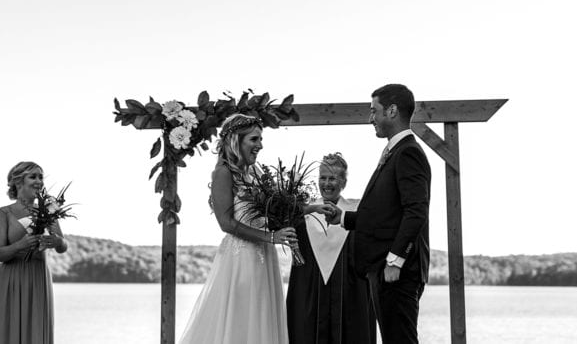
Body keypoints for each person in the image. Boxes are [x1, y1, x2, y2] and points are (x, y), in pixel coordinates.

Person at [179, 114, 307, 344]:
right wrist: (271, 236)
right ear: (236, 141)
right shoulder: (223, 173)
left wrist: (312, 207)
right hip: (241, 260)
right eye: (254, 139)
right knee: (241, 321)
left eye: (260, 139)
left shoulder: (256, 172)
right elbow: (225, 223)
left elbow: (280, 204)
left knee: (263, 319)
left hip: (265, 257)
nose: (260, 145)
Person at [324, 83, 431, 343]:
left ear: (392, 111)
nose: (371, 118)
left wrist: (395, 261)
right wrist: (344, 218)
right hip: (383, 268)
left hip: (395, 271)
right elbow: (385, 213)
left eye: (375, 111)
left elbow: (416, 212)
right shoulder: (395, 152)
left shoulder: (408, 153)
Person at [287, 152, 376, 344]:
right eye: (322, 178)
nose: (326, 184)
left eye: (333, 178)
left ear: (343, 182)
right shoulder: (302, 213)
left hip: (349, 292)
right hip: (309, 289)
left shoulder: (356, 211)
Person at [0, 161, 68, 344]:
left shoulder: (48, 211)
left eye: (41, 176)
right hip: (11, 279)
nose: (39, 181)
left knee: (37, 331)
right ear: (18, 182)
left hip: (38, 277)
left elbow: (62, 247)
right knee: (8, 330)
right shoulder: (4, 213)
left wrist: (57, 241)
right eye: (33, 177)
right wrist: (20, 245)